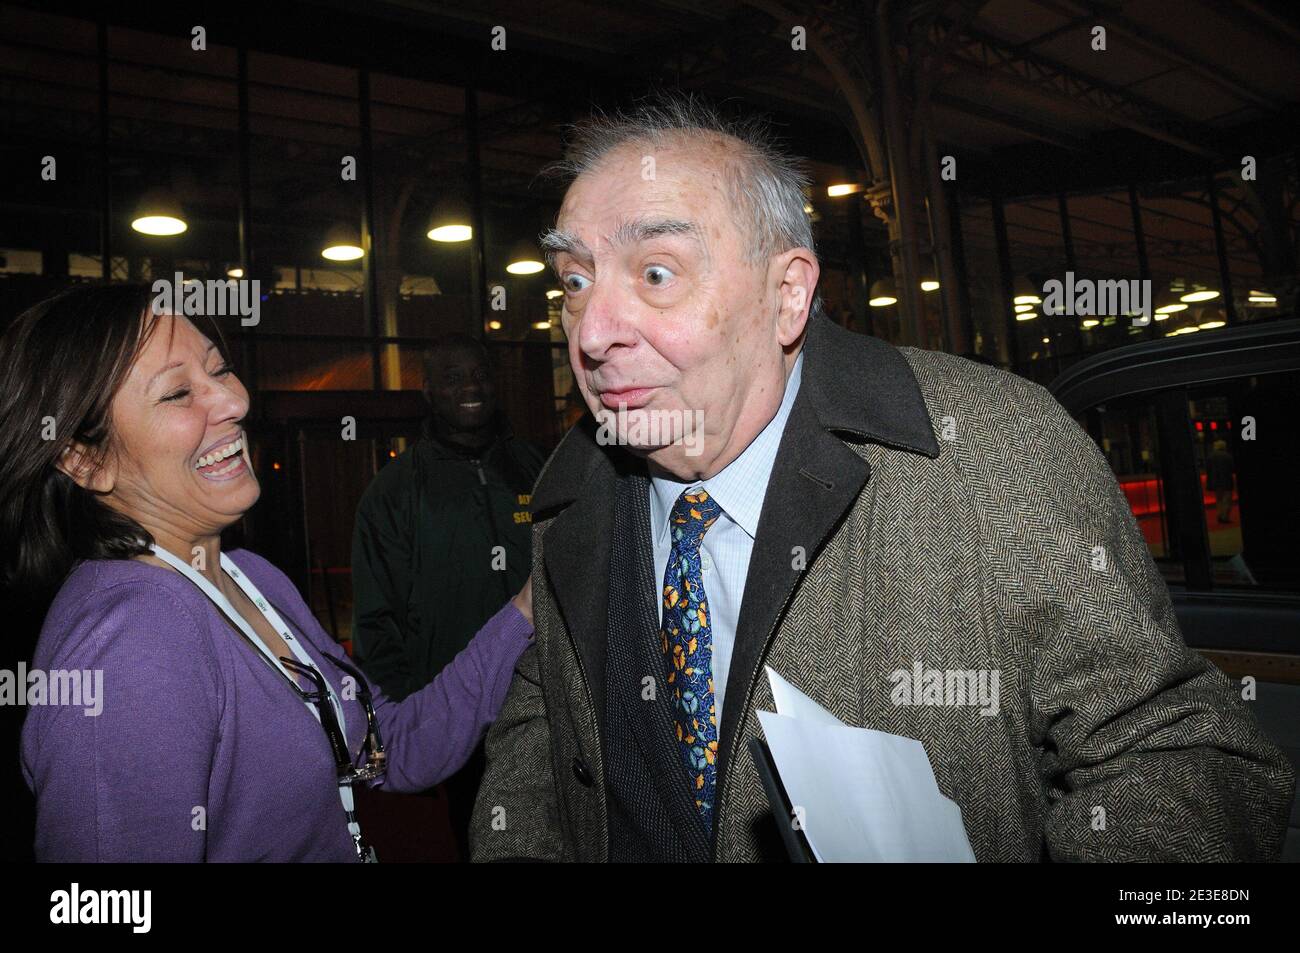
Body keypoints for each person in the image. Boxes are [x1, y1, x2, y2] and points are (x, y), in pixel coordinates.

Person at [469, 96, 1295, 862]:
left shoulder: (993, 450)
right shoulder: (569, 490)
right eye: (573, 282)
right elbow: (540, 730)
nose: (594, 330)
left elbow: (1180, 755)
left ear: (787, 294)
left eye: (656, 272)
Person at [1, 284, 533, 861]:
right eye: (179, 392)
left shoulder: (248, 576)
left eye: (220, 369)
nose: (233, 402)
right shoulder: (130, 640)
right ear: (85, 460)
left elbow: (390, 749)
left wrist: (528, 608)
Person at [351, 333, 545, 859]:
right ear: (429, 392)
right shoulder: (394, 492)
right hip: (462, 716)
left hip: (551, 703)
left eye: (479, 374)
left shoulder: (539, 470)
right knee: (487, 842)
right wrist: (413, 724)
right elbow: (375, 623)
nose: (470, 387)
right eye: (452, 378)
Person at [1206, 438, 1235, 525]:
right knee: (1227, 499)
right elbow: (1232, 469)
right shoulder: (1228, 456)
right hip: (1226, 480)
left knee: (1219, 499)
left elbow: (1208, 469)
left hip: (1216, 481)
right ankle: (1225, 517)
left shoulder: (1210, 456)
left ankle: (1219, 515)